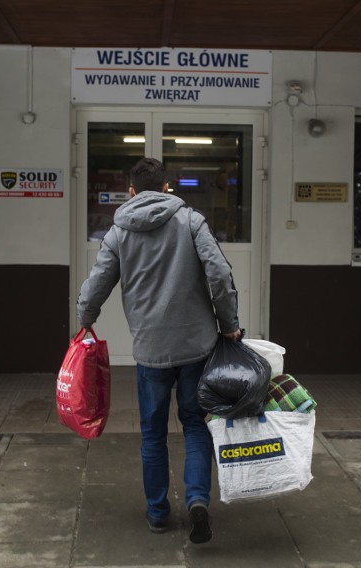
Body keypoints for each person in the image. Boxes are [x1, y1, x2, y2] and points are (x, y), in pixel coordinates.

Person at [77, 157, 241, 544]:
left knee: (152, 434)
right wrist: (229, 324)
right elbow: (219, 273)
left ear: (131, 192)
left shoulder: (118, 232)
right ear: (166, 187)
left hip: (150, 350)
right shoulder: (190, 220)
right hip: (196, 346)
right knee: (196, 425)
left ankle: (157, 513)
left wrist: (85, 318)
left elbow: (97, 283)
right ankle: (198, 500)